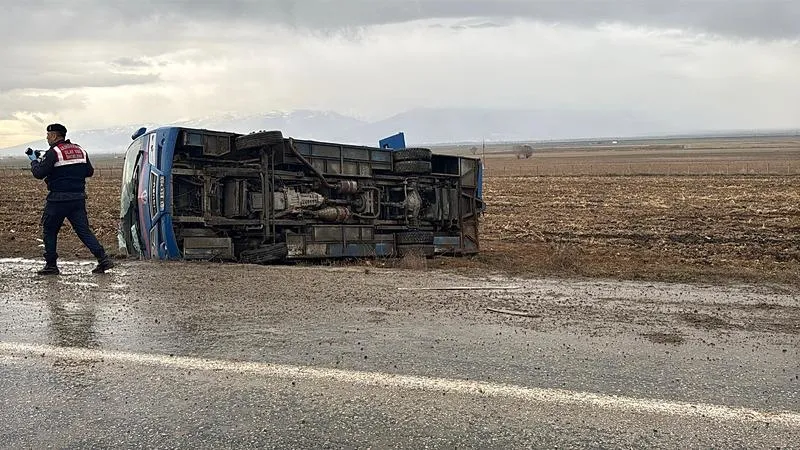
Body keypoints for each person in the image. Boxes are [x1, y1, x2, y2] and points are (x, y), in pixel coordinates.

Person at [29, 123, 114, 275]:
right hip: (78, 199)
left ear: (54, 135)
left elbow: (39, 173)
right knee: (83, 231)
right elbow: (89, 172)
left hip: (57, 200)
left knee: (49, 230)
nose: (47, 138)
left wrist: (34, 161)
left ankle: (51, 265)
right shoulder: (80, 150)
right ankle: (103, 259)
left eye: (48, 135)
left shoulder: (53, 152)